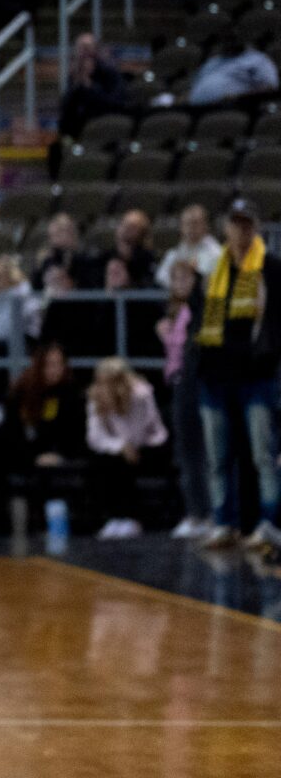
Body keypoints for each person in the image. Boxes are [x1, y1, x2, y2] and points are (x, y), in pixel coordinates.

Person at [190, 207, 279, 553]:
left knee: (262, 455)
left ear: (255, 228)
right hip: (216, 375)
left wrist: (268, 356)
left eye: (246, 225)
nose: (240, 232)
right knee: (218, 457)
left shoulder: (271, 268)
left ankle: (270, 523)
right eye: (234, 224)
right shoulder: (214, 269)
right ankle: (224, 521)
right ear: (226, 228)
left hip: (256, 375)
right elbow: (199, 316)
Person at [158, 259, 216, 539]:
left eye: (185, 277)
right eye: (175, 278)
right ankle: (195, 514)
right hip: (180, 385)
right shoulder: (171, 311)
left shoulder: (202, 308)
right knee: (187, 453)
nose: (179, 283)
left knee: (207, 453)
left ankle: (214, 514)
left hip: (200, 384)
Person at [85, 357, 168, 539]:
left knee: (126, 460)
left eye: (108, 383)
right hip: (118, 452)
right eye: (100, 383)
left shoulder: (141, 395)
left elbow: (158, 430)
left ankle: (132, 519)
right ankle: (116, 517)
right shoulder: (95, 398)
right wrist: (121, 446)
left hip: (145, 447)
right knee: (108, 461)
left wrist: (139, 446)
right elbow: (95, 437)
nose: (103, 388)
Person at [58, 31, 125, 139]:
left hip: (106, 124)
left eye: (87, 47)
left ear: (96, 50)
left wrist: (89, 86)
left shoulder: (110, 73)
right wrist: (78, 84)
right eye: (81, 48)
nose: (84, 52)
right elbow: (65, 109)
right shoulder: (74, 76)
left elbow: (115, 103)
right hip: (79, 127)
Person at [187, 36, 279, 107]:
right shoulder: (213, 62)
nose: (229, 42)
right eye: (226, 39)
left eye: (232, 39)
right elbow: (194, 88)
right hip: (197, 108)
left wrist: (239, 96)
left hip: (236, 106)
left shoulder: (257, 59)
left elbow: (270, 87)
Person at [159, 203, 223, 288]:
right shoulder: (175, 251)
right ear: (181, 227)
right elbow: (161, 277)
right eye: (187, 223)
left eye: (195, 223)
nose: (190, 228)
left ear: (206, 226)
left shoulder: (216, 252)